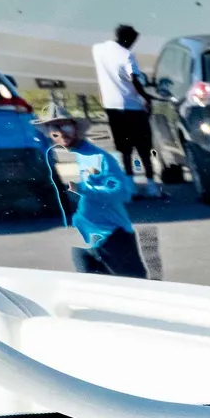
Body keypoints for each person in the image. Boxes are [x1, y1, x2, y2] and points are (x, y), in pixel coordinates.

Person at [67, 143, 145, 278]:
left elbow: (121, 192)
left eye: (65, 127)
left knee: (133, 286)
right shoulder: (52, 158)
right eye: (53, 129)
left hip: (111, 234)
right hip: (85, 239)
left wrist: (82, 189)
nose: (59, 133)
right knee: (97, 290)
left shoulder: (99, 157)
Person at [91, 23, 151, 182]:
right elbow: (135, 79)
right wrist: (146, 98)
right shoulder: (126, 55)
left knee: (124, 148)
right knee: (143, 147)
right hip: (131, 106)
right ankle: (151, 186)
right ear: (127, 39)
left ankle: (130, 185)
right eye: (132, 41)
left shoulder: (98, 49)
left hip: (111, 106)